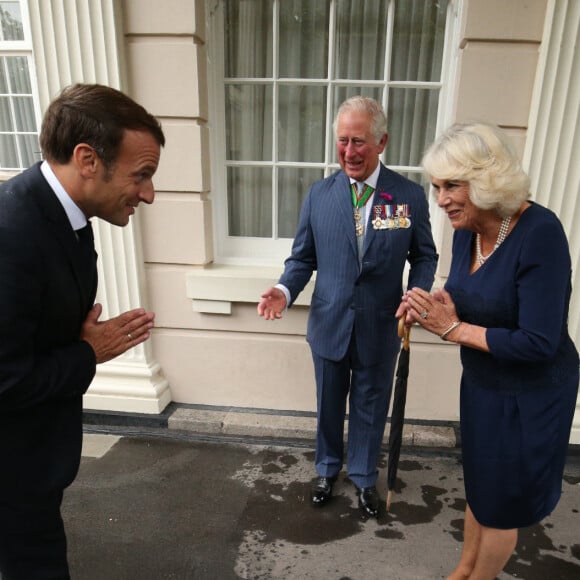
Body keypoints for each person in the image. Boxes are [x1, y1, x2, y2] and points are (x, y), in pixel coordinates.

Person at [0, 83, 165, 580]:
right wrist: (87, 352)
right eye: (142, 175)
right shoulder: (12, 234)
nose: (149, 194)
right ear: (87, 159)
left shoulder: (66, 215)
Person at [402, 121, 579, 579]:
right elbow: (473, 294)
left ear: (486, 180)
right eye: (436, 186)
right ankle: (462, 572)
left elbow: (539, 342)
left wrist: (454, 328)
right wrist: (442, 303)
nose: (440, 200)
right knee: (480, 488)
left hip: (529, 394)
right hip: (483, 383)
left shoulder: (540, 233)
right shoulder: (467, 227)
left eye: (451, 186)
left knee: (501, 504)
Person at [257, 96, 438, 517]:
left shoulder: (407, 196)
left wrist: (418, 293)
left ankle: (362, 477)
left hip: (381, 324)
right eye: (342, 141)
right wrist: (284, 291)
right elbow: (303, 258)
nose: (349, 152)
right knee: (329, 405)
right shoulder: (320, 195)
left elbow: (424, 255)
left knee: (371, 407)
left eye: (359, 141)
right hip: (330, 321)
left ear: (382, 142)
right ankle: (326, 469)